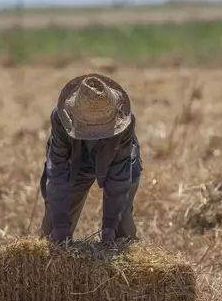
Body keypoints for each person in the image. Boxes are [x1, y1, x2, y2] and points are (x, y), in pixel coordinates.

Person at [38, 73, 143, 245]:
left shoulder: (124, 123)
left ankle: (120, 238)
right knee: (52, 235)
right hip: (74, 164)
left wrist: (110, 225)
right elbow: (57, 171)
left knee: (120, 231)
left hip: (118, 161)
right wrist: (60, 223)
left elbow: (119, 177)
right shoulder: (61, 120)